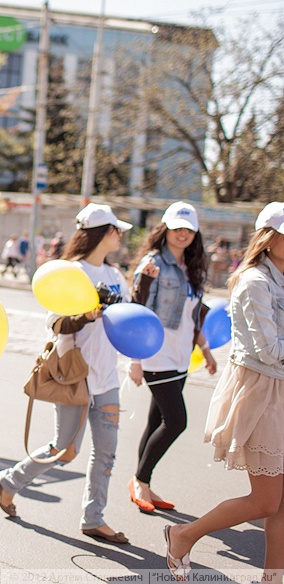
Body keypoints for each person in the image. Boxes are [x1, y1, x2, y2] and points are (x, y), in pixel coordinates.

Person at [0, 203, 131, 545]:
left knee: (107, 451)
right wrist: (86, 316)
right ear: (105, 232)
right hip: (75, 375)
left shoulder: (116, 276)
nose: (120, 236)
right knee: (65, 451)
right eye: (117, 230)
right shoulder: (71, 272)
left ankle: (93, 518)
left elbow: (128, 318)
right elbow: (56, 324)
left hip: (107, 376)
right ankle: (10, 480)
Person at [164, 202, 284, 583]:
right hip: (262, 393)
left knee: (281, 505)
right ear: (269, 238)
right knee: (266, 501)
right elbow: (269, 349)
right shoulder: (254, 281)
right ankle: (184, 534)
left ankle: (273, 578)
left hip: (280, 389)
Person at [127, 201, 218, 513]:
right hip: (156, 355)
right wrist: (135, 360)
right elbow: (137, 311)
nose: (183, 234)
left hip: (181, 357)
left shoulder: (192, 268)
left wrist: (205, 349)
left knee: (157, 420)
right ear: (165, 229)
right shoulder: (153, 263)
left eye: (188, 229)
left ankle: (143, 483)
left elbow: (194, 315)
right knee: (176, 422)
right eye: (177, 228)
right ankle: (140, 480)